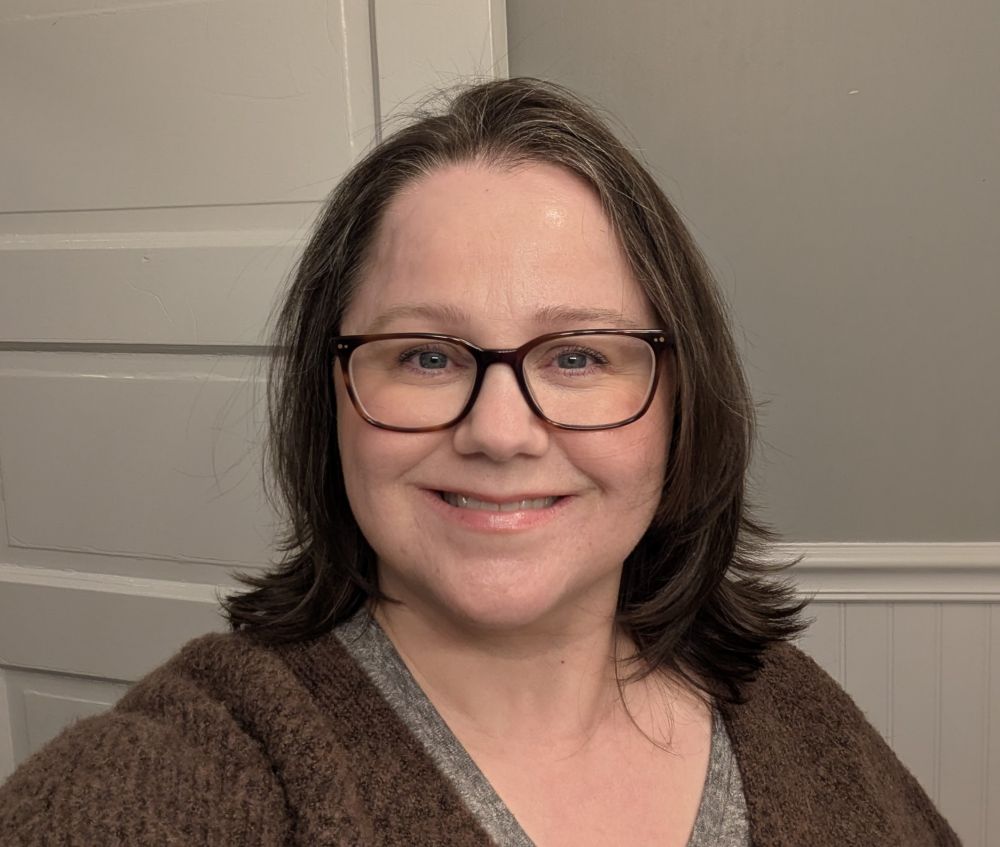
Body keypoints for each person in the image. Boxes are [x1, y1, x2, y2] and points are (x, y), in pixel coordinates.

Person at [0, 78, 957, 846]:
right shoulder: (190, 767)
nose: (501, 432)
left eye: (577, 356)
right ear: (333, 397)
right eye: (426, 355)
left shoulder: (786, 702)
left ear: (680, 399)